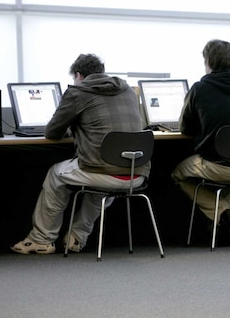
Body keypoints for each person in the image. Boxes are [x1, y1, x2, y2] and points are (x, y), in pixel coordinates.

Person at [11, 54, 148, 254]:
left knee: (56, 174)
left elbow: (52, 132)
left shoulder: (78, 92)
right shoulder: (127, 90)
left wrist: (72, 128)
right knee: (100, 185)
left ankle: (42, 239)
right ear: (101, 71)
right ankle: (76, 237)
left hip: (104, 171)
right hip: (136, 173)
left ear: (78, 75)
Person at [171, 39, 230, 245]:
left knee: (179, 173)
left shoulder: (199, 89)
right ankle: (224, 218)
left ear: (207, 61)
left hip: (218, 167)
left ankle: (223, 214)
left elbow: (185, 129)